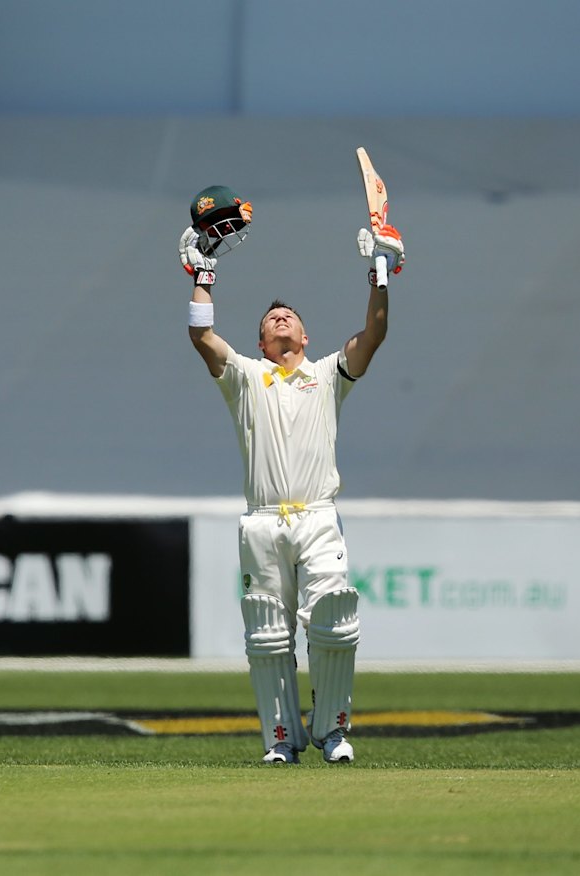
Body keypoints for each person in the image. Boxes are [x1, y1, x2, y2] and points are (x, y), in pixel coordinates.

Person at [179, 185, 405, 764]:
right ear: (261, 341)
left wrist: (381, 270)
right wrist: (203, 272)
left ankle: (333, 732)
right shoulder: (246, 377)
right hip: (261, 522)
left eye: (291, 318)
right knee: (268, 635)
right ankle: (282, 739)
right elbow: (202, 337)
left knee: (333, 621)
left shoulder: (329, 373)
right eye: (271, 319)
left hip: (318, 516)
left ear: (305, 339)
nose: (281, 318)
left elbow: (374, 335)